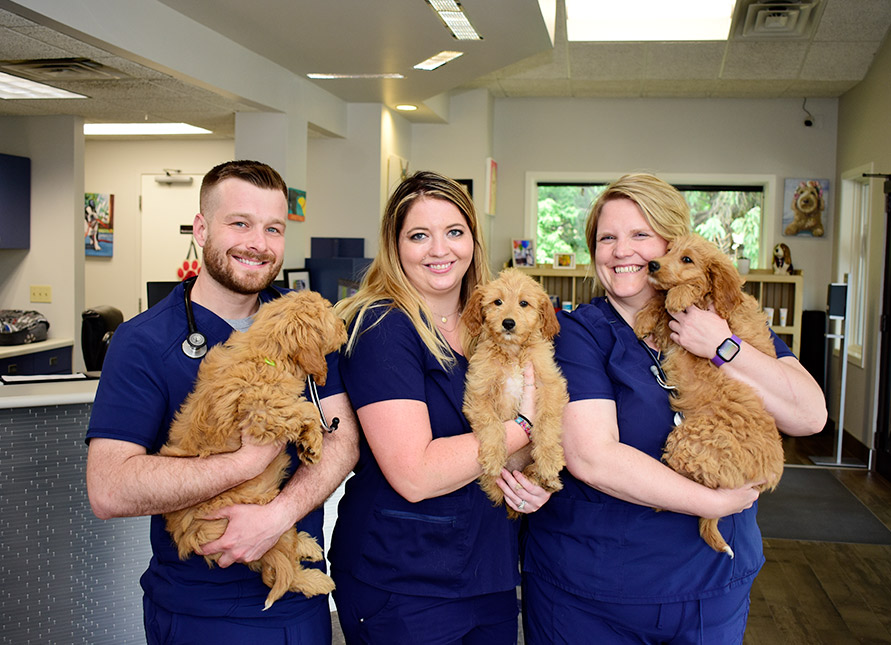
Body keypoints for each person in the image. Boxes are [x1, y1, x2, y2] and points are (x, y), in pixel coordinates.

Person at [521, 173, 827, 644]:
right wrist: (715, 503)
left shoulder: (728, 318)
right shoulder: (578, 334)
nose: (622, 251)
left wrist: (725, 346)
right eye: (607, 238)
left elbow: (809, 416)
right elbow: (593, 457)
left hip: (710, 589)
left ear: (674, 242)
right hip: (595, 592)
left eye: (640, 235)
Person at [85, 160, 359, 644]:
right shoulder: (143, 342)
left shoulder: (301, 324)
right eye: (240, 223)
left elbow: (344, 440)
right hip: (200, 612)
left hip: (299, 605)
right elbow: (109, 488)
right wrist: (245, 462)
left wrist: (277, 515)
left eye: (273, 228)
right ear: (201, 228)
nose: (258, 243)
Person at [329, 170, 549, 644]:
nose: (439, 249)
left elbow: (522, 440)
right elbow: (415, 474)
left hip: (486, 569)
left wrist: (532, 482)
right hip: (403, 580)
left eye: (454, 232)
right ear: (395, 245)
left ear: (473, 239)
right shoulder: (381, 328)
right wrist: (523, 428)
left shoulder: (491, 322)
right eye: (419, 236)